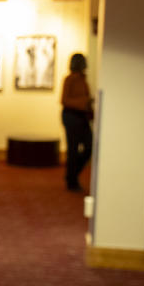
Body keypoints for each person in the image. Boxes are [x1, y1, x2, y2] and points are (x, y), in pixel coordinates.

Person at [60, 52, 93, 192]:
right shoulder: (70, 79)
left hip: (82, 117)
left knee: (89, 146)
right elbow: (64, 100)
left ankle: (71, 174)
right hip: (71, 117)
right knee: (73, 149)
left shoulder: (83, 79)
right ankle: (71, 180)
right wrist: (85, 102)